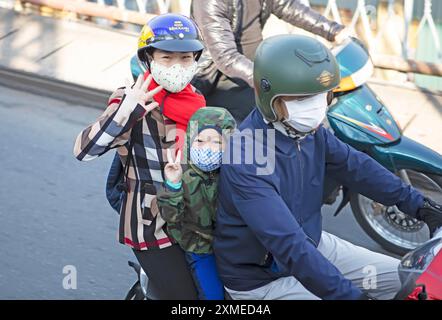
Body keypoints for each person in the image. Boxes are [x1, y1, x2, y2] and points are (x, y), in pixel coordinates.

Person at [213, 34, 442, 300]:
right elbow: (288, 244)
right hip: (263, 279)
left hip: (315, 245)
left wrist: (422, 207)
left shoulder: (309, 133)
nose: (315, 106)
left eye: (322, 95)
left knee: (415, 280)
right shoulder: (246, 156)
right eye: (302, 98)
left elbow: (357, 167)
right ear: (268, 97)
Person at [73, 13, 208, 299]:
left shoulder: (196, 99)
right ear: (149, 59)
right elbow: (84, 150)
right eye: (167, 58)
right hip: (152, 225)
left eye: (185, 59)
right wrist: (129, 108)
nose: (177, 67)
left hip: (194, 216)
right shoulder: (132, 100)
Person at [190, 0, 351, 123]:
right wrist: (268, 79)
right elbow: (226, 57)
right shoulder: (209, 2)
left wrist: (333, 31)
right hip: (222, 79)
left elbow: (287, 6)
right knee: (263, 130)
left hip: (256, 69)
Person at [157, 107, 236, 300]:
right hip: (199, 248)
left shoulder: (235, 173)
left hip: (231, 248)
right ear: (191, 139)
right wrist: (173, 185)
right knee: (213, 296)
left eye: (217, 142)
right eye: (200, 140)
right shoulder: (181, 171)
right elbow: (171, 216)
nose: (207, 147)